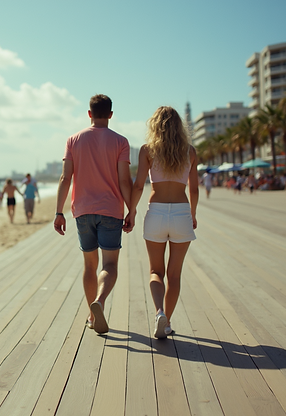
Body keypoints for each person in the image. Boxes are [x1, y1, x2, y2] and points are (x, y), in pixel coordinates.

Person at [53, 94, 133, 334]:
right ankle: (100, 300)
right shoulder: (121, 142)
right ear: (110, 114)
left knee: (90, 265)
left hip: (83, 211)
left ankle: (91, 314)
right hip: (111, 210)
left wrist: (59, 212)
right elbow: (124, 180)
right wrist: (132, 209)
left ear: (89, 114)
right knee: (110, 264)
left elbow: (66, 178)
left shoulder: (73, 140)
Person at [131, 106, 198, 339]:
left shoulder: (147, 150)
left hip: (156, 212)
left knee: (155, 271)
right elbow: (195, 188)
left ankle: (159, 312)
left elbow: (139, 185)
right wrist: (194, 213)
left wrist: (130, 211)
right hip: (181, 212)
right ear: (179, 127)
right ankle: (167, 321)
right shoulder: (189, 151)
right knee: (175, 275)